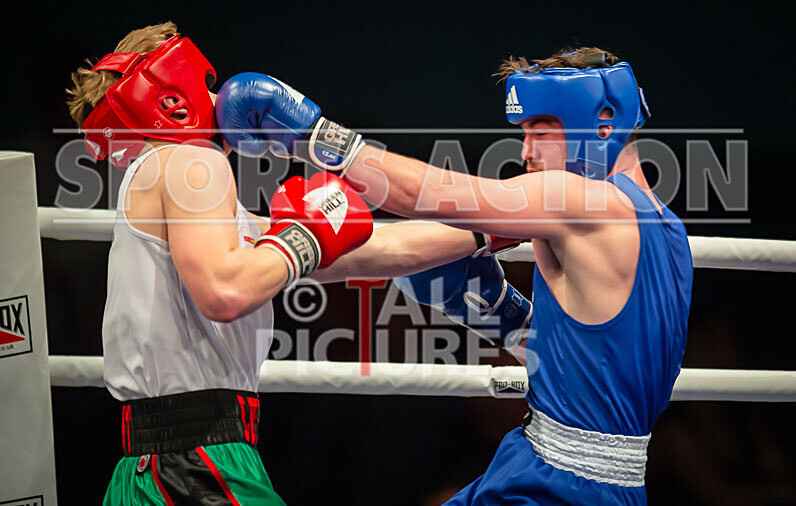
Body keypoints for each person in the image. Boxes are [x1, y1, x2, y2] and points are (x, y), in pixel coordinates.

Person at [67, 22, 531, 505]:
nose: (217, 95)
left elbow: (362, 253)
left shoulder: (159, 179)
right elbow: (226, 291)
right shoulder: (191, 165)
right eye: (206, 83)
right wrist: (305, 234)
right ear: (172, 100)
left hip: (147, 464)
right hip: (196, 460)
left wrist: (489, 228)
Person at [215, 46, 693, 504]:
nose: (526, 151)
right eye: (522, 132)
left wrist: (311, 133)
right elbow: (395, 248)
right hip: (587, 478)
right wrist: (507, 318)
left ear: (603, 125)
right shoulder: (667, 233)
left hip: (559, 487)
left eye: (542, 132)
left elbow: (423, 193)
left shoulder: (585, 202)